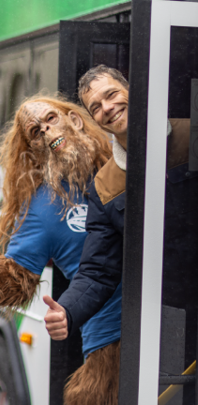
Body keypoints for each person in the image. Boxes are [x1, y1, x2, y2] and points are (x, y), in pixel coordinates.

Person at [0, 94, 119, 404]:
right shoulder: (43, 207)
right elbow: (14, 279)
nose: (45, 130)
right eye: (35, 131)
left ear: (75, 120)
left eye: (51, 119)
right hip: (111, 342)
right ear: (33, 150)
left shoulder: (122, 160)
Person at [44, 65, 198, 404]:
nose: (107, 108)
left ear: (133, 90)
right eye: (96, 107)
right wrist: (66, 311)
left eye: (111, 94)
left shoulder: (192, 135)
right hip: (172, 327)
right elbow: (98, 271)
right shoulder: (104, 186)